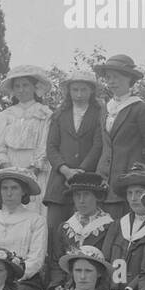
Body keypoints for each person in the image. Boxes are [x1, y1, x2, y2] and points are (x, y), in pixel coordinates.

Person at [94, 53, 145, 220]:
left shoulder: (140, 108)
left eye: (116, 77)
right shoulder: (105, 109)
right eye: (108, 77)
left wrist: (136, 173)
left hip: (128, 180)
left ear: (129, 79)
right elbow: (103, 145)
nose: (112, 82)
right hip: (103, 181)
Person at [44, 69, 105, 236]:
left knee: (82, 228)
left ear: (92, 91)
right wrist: (66, 170)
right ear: (68, 91)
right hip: (60, 181)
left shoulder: (99, 113)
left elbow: (98, 145)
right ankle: (53, 262)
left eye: (83, 90)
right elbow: (51, 147)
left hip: (87, 179)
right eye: (75, 90)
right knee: (54, 228)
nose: (79, 94)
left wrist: (80, 172)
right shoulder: (59, 114)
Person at [0, 65, 54, 212]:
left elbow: (46, 144)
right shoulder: (5, 115)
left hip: (36, 169)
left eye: (25, 85)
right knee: (13, 207)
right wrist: (9, 169)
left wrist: (32, 170)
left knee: (36, 207)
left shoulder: (45, 114)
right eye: (17, 86)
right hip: (11, 165)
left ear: (35, 87)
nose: (21, 90)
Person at [46, 172, 115, 290]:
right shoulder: (65, 227)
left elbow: (109, 262)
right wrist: (58, 284)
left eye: (86, 195)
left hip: (98, 287)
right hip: (67, 287)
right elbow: (56, 261)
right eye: (77, 195)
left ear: (97, 197)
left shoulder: (110, 226)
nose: (81, 200)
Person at [101, 163, 145, 290]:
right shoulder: (117, 225)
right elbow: (105, 261)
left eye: (139, 193)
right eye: (130, 193)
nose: (134, 199)